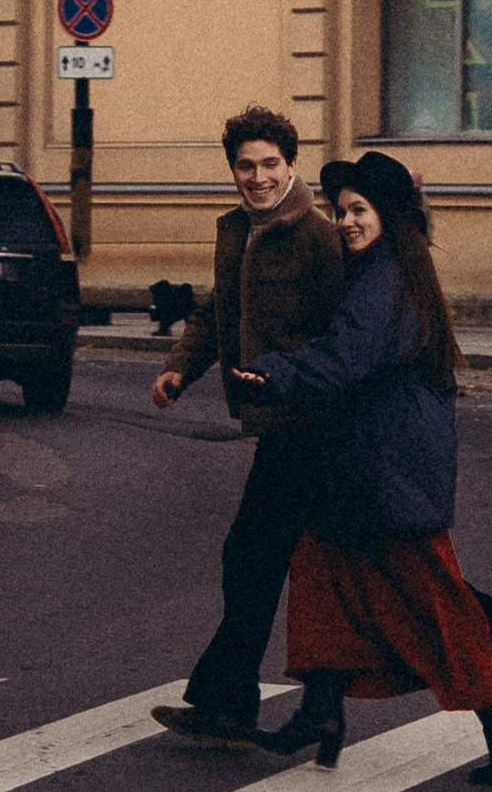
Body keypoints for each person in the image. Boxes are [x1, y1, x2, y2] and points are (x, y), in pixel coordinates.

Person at [232, 150, 492, 789]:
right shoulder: (386, 267)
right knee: (322, 576)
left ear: (389, 215)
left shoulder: (384, 276)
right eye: (341, 210)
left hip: (389, 466)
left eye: (359, 210)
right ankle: (321, 713)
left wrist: (275, 371)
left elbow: (348, 357)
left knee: (432, 600)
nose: (346, 221)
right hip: (364, 461)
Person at [147, 105, 347, 748]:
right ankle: (289, 704)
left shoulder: (317, 234)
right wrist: (182, 370)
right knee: (333, 564)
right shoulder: (237, 230)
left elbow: (343, 333)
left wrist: (299, 380)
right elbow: (215, 312)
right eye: (245, 165)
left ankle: (229, 703)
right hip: (278, 423)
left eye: (269, 165)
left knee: (258, 557)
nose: (257, 178)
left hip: (311, 423)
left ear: (292, 165)